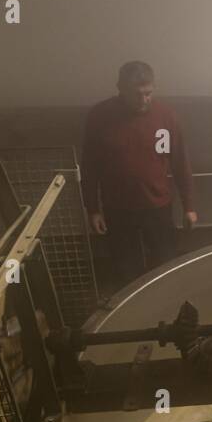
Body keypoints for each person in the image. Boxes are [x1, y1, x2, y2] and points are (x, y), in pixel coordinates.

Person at [81, 61, 197, 288]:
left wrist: (189, 207)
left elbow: (180, 164)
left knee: (165, 268)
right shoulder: (99, 117)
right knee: (126, 272)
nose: (144, 100)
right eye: (137, 95)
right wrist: (93, 209)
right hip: (117, 209)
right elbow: (90, 167)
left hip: (158, 207)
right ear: (120, 88)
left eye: (148, 94)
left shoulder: (166, 117)